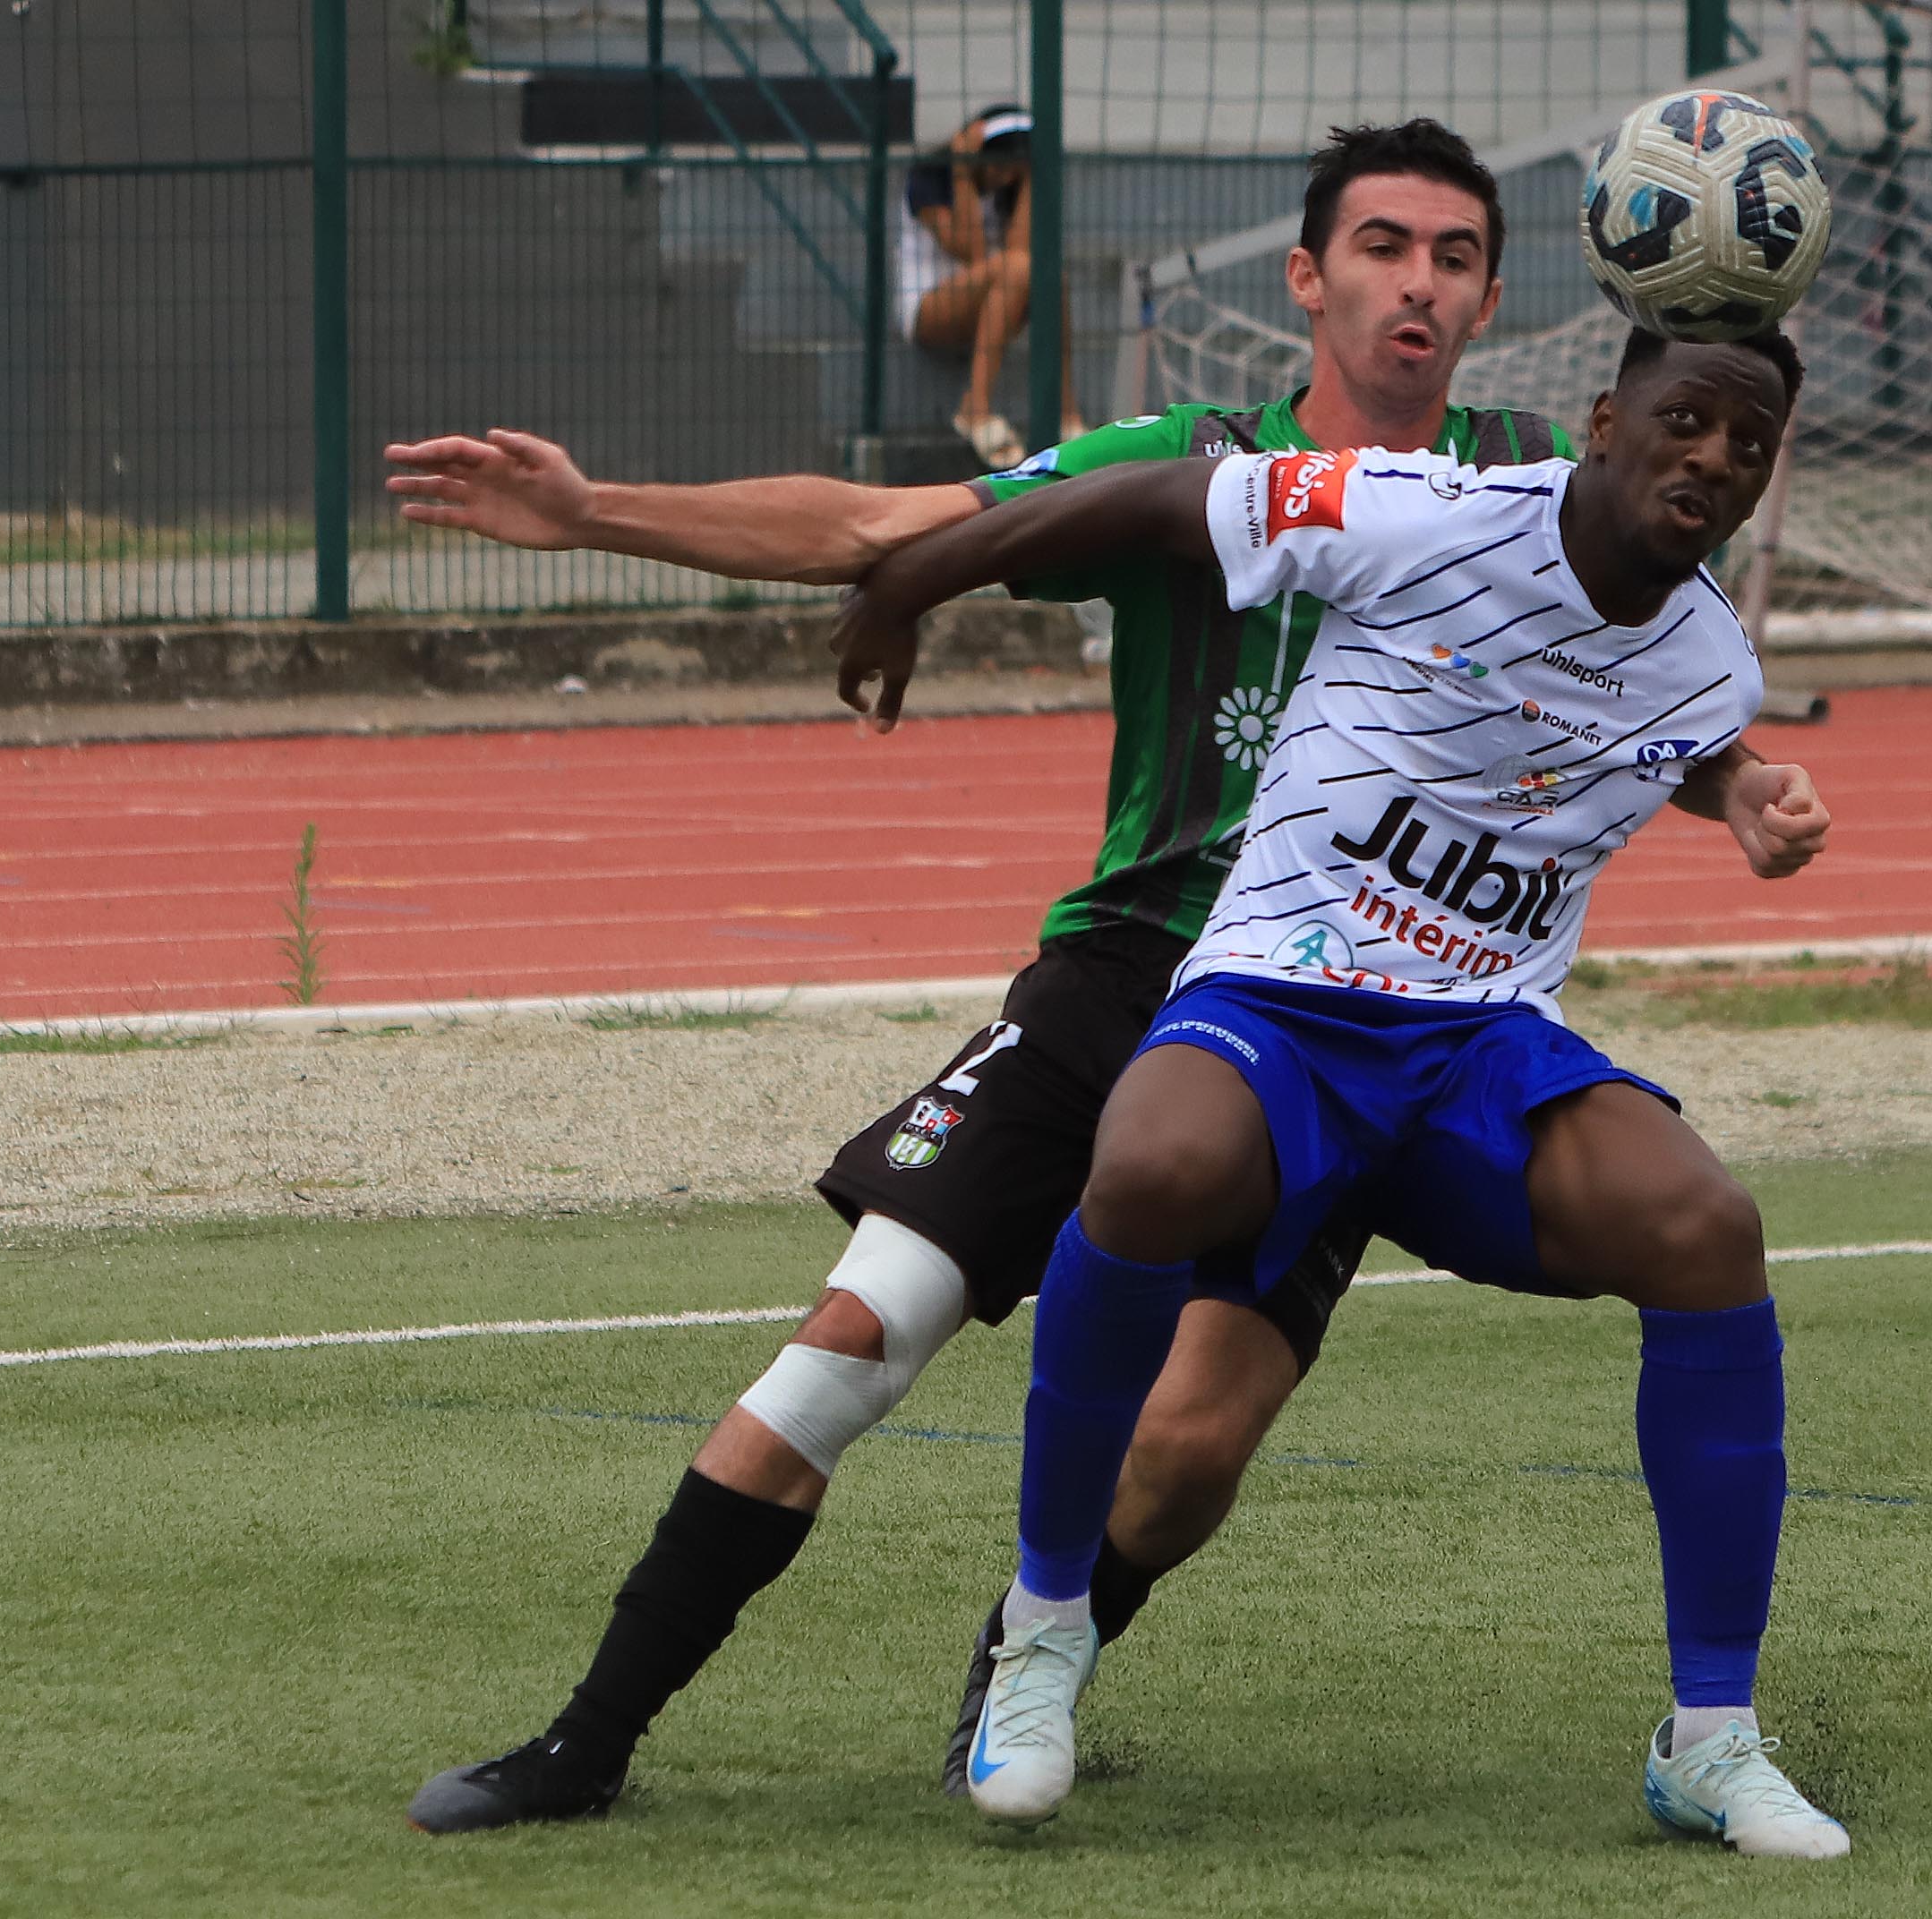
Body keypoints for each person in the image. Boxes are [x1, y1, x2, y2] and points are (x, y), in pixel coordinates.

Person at [387, 118, 1574, 1835]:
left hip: (1338, 1031)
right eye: (1380, 247)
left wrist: (1738, 764)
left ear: (1483, 299)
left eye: (1452, 256)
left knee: (1182, 1456)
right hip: (1117, 989)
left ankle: (1025, 1651)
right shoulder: (1191, 459)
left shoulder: (1532, 484)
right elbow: (887, 518)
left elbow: (1660, 596)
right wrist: (594, 514)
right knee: (845, 1343)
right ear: (1307, 279)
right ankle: (583, 1738)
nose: (1416, 281)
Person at [832, 324, 1848, 1857]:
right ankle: (1041, 1635)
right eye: (1681, 419)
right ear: (1602, 419)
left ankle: (1705, 1735)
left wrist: (1739, 786)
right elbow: (1167, 498)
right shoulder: (1419, 508)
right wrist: (912, 576)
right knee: (1150, 1164)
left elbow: (1654, 727)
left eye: (1744, 442)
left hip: (1476, 1045)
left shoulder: (1711, 655)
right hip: (1285, 997)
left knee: (1704, 1224)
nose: (1708, 456)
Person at [898, 104, 1079, 467]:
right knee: (1012, 268)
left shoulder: (1010, 189)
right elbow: (973, 255)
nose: (1003, 177)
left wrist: (1032, 181)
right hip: (929, 310)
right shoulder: (930, 178)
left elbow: (1020, 252)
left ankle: (1067, 414)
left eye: (1015, 170)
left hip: (993, 304)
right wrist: (963, 175)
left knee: (1049, 279)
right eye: (997, 165)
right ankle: (975, 409)